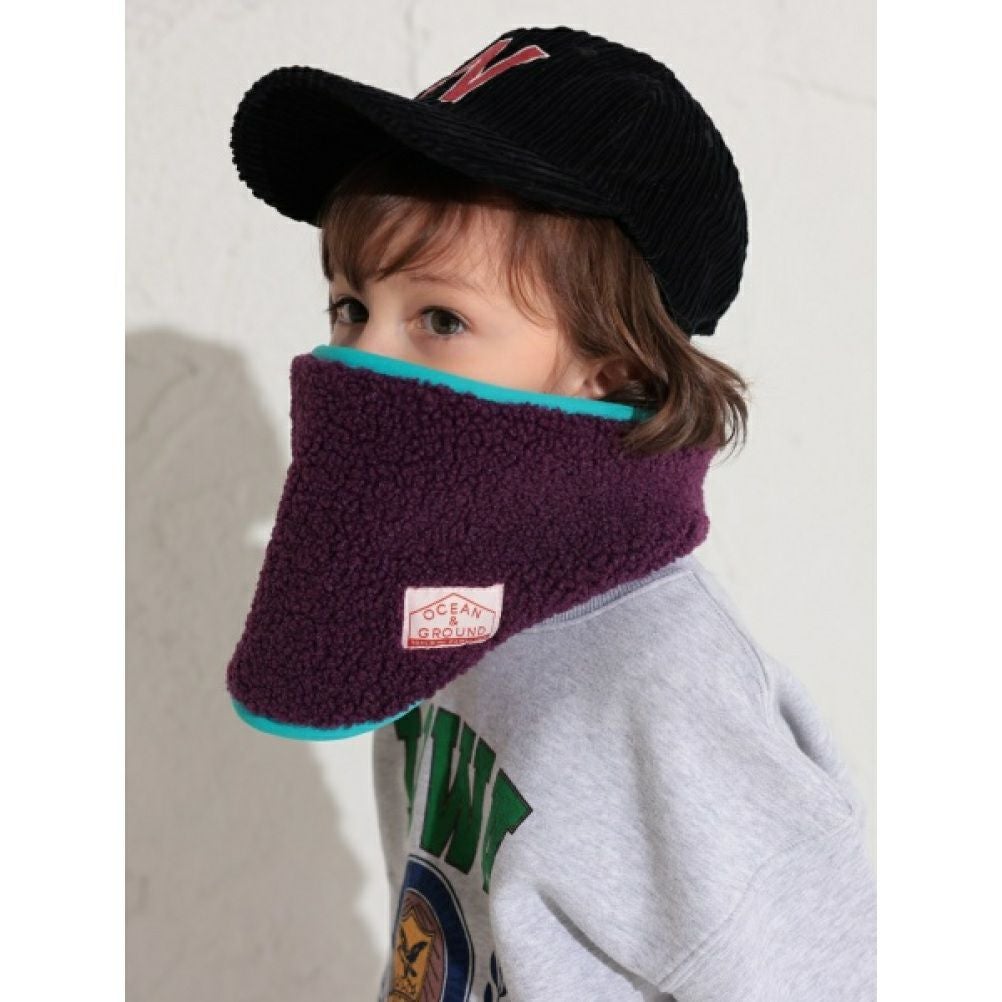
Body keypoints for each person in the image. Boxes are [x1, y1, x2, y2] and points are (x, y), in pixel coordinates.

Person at [226, 25, 876, 1001]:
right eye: (351, 307)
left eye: (441, 319)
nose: (364, 359)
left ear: (608, 368)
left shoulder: (661, 682)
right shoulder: (431, 608)